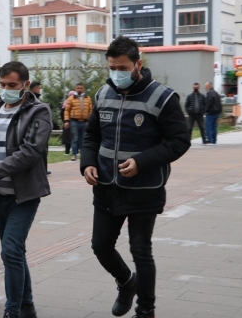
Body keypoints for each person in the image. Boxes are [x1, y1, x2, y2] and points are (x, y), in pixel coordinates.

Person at [81, 36, 191, 318]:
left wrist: (141, 162)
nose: (116, 73)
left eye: (122, 67)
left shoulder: (163, 97)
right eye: (112, 67)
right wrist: (87, 163)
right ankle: (126, 282)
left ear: (137, 64)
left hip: (144, 188)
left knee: (140, 250)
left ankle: (146, 310)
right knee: (100, 246)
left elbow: (179, 141)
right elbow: (92, 135)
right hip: (106, 185)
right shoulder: (103, 94)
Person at [0, 61, 52, 318]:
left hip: (24, 194)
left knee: (10, 250)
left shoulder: (39, 111)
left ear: (25, 85)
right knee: (15, 252)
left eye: (12, 85)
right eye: (3, 85)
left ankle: (12, 311)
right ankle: (27, 305)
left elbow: (31, 152)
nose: (6, 90)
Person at [64, 83, 92, 161]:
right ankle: (74, 154)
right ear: (75, 89)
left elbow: (90, 110)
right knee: (75, 139)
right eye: (78, 88)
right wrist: (66, 121)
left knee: (83, 139)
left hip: (84, 122)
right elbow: (67, 110)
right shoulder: (71, 98)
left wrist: (89, 121)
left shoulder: (88, 98)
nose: (79, 89)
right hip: (74, 121)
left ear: (84, 89)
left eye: (81, 88)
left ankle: (83, 155)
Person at [28, 81, 50, 175]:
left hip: (40, 129)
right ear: (34, 88)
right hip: (35, 129)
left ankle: (44, 169)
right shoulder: (31, 99)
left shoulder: (35, 99)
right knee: (40, 150)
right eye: (39, 88)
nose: (40, 90)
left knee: (43, 150)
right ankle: (42, 170)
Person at [60, 91, 77, 155]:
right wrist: (66, 121)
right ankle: (68, 152)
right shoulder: (66, 103)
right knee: (70, 137)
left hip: (71, 122)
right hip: (68, 122)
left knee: (73, 137)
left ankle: (72, 152)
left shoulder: (68, 103)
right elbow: (62, 113)